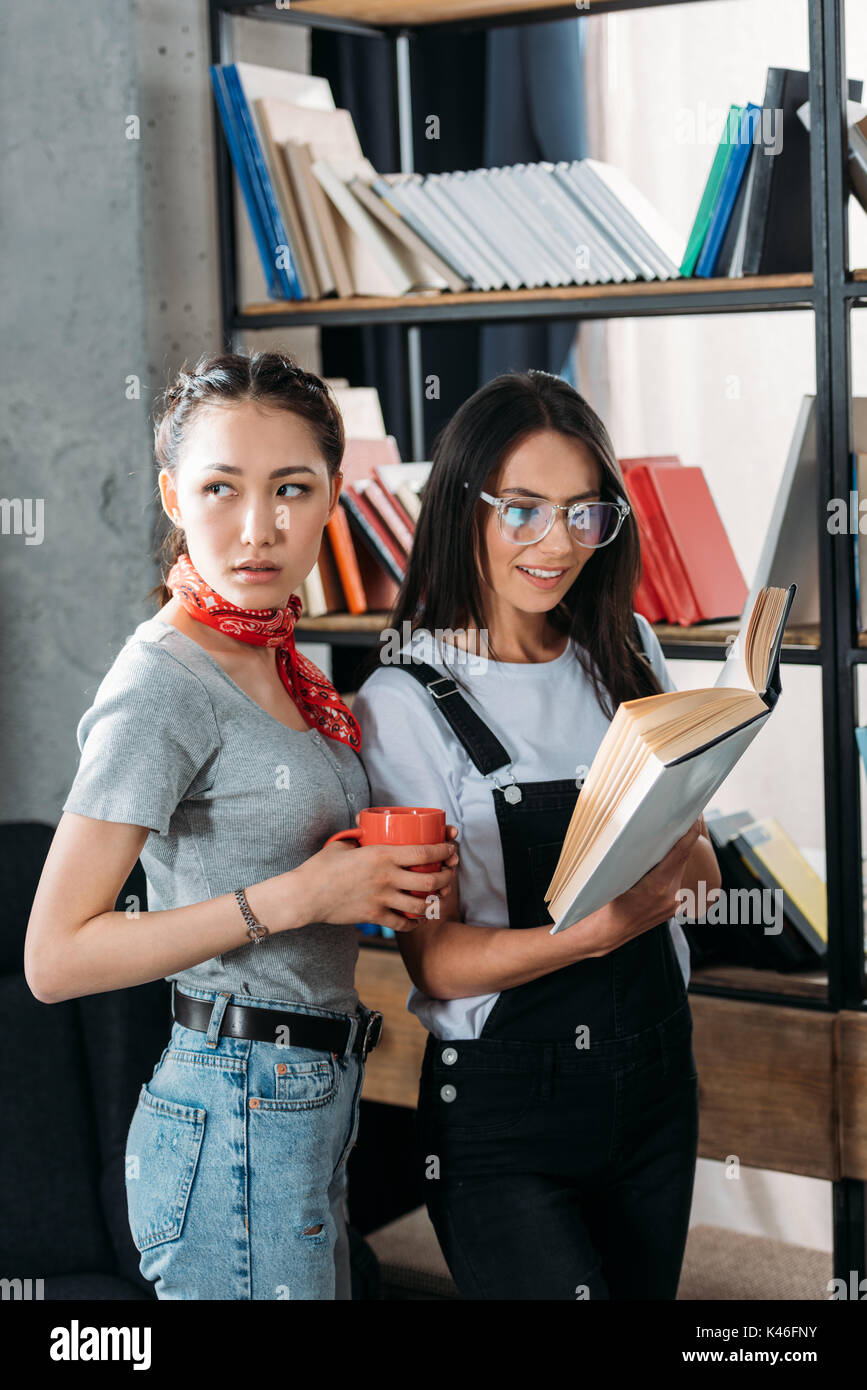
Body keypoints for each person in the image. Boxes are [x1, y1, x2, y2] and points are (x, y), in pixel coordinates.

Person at [24, 349, 458, 1300]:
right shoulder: (161, 686)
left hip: (306, 1093)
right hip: (234, 1097)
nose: (258, 529)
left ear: (333, 496)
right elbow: (55, 959)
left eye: (291, 489)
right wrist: (304, 894)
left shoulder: (281, 663)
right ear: (174, 497)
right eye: (220, 488)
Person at [352, 368, 721, 1301]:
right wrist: (599, 928)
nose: (555, 545)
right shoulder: (402, 702)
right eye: (522, 510)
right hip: (505, 1110)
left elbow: (704, 860)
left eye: (583, 514)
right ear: (461, 507)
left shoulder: (629, 648)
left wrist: (686, 872)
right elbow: (433, 964)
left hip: (656, 1080)